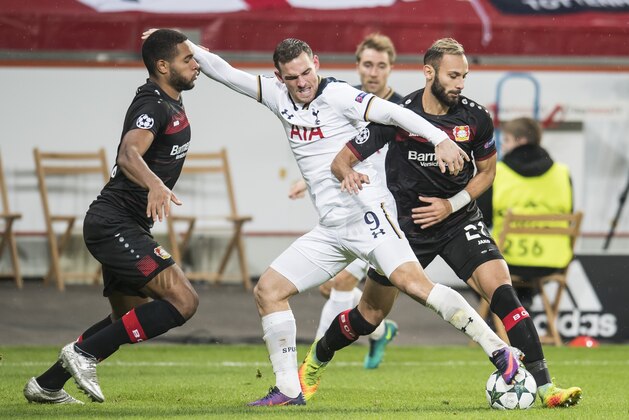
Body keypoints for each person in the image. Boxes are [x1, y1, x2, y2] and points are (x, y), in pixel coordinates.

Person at [162, 30, 522, 407]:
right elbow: (225, 72)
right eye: (292, 77)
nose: (302, 83)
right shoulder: (275, 94)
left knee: (415, 286)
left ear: (315, 64)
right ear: (279, 76)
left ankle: (500, 352)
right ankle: (288, 390)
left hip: (370, 214)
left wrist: (439, 138)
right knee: (268, 291)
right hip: (332, 228)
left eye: (306, 72)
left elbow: (394, 112)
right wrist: (177, 42)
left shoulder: (338, 95)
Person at [320, 38, 581, 408]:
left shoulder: (475, 117)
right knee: (369, 314)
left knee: (503, 291)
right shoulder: (397, 113)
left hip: (459, 219)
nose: (460, 83)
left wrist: (451, 204)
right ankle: (316, 359)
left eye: (465, 76)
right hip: (406, 229)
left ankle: (546, 388)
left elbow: (488, 172)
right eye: (453, 75)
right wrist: (349, 176)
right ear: (429, 73)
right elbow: (342, 159)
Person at [23, 29, 200, 404]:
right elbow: (127, 154)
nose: (196, 64)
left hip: (126, 224)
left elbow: (190, 59)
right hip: (113, 223)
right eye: (188, 59)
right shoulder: (153, 106)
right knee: (183, 302)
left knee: (129, 316)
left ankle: (47, 384)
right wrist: (155, 184)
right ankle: (82, 354)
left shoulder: (169, 97)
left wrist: (164, 37)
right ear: (163, 66)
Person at [288, 33, 403, 370]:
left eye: (381, 66)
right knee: (333, 288)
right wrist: (305, 180)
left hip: (385, 211)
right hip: (350, 204)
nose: (373, 72)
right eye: (367, 64)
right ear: (357, 66)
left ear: (390, 69)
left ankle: (311, 365)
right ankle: (380, 331)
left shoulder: (398, 109)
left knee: (341, 283)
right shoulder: (345, 101)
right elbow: (332, 150)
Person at [477, 117, 574, 309]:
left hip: (509, 259)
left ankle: (499, 318)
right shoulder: (562, 173)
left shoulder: (498, 172)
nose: (502, 146)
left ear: (520, 141)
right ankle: (522, 302)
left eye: (506, 140)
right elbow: (569, 215)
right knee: (523, 275)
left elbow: (482, 218)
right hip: (552, 260)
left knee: (470, 262)